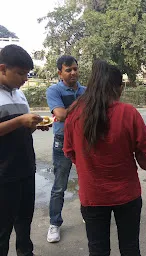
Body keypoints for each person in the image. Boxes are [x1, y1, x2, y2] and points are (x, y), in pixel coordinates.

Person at [63, 60, 146, 255]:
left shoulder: (74, 112)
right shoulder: (128, 113)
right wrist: (139, 159)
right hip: (127, 194)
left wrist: (88, 165)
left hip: (92, 196)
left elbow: (69, 151)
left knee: (97, 250)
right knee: (130, 247)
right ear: (119, 87)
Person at [0, 45, 49, 256]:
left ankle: (25, 252)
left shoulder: (20, 95)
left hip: (26, 168)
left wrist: (33, 126)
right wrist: (21, 120)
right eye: (20, 73)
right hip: (3, 173)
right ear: (2, 69)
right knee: (3, 227)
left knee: (24, 220)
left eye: (27, 74)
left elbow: (21, 131)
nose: (24, 79)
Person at [46, 55, 86, 243]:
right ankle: (54, 223)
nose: (73, 73)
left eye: (75, 69)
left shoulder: (85, 90)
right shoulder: (54, 90)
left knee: (87, 181)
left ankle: (90, 214)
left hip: (84, 141)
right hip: (62, 141)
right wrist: (81, 103)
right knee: (59, 186)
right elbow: (60, 115)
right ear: (60, 72)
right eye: (68, 70)